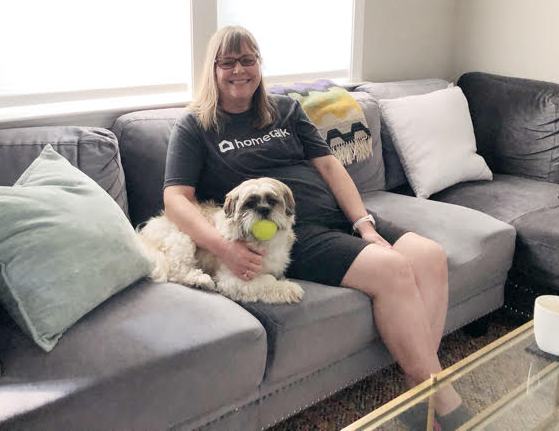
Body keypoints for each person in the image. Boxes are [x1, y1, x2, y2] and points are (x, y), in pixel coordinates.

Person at [163, 25, 469, 428]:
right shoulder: (196, 126)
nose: (240, 70)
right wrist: (224, 247)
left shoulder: (285, 110)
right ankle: (444, 404)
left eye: (248, 59)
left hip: (336, 218)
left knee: (430, 257)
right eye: (228, 62)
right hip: (290, 233)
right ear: (213, 69)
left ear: (259, 64)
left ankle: (416, 396)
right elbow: (175, 199)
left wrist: (364, 225)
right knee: (393, 270)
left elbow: (329, 166)